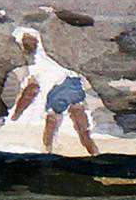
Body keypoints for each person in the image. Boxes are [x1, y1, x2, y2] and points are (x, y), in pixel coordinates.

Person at [8, 25, 99, 154]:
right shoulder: (47, 56)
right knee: (80, 123)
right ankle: (93, 151)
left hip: (59, 88)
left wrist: (17, 113)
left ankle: (48, 151)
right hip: (72, 82)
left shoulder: (34, 63)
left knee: (52, 123)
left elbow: (31, 91)